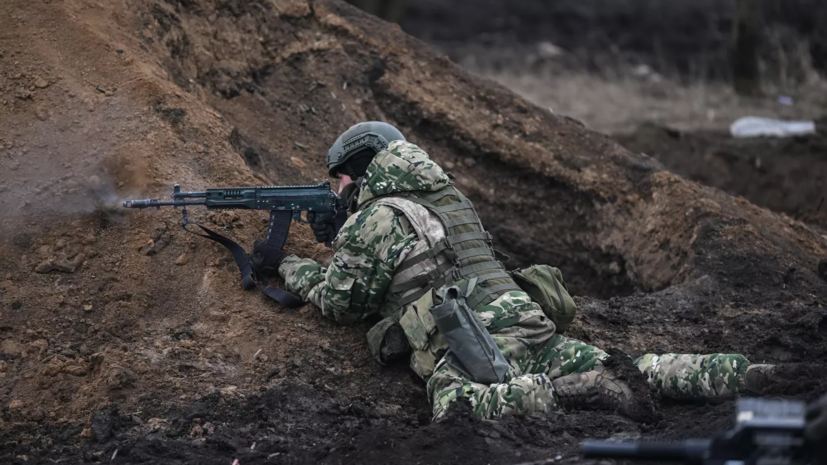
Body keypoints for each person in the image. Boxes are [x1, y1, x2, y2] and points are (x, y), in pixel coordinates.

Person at [250, 121, 778, 422]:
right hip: (525, 315)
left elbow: (344, 304)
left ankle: (573, 392)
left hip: (472, 338)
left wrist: (293, 267)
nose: (339, 190)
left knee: (454, 402)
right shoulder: (447, 196)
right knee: (634, 365)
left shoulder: (378, 216)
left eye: (341, 180)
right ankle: (740, 374)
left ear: (360, 171)